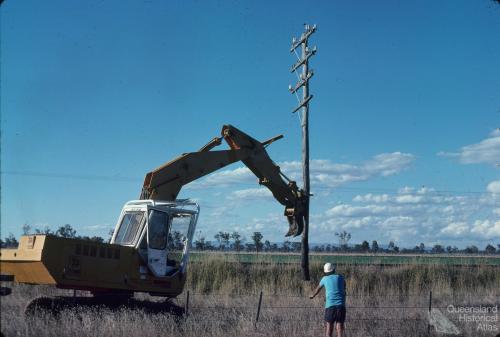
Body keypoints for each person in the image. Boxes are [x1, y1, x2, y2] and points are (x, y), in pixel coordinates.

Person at [310, 263, 346, 337]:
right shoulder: (341, 277)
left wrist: (312, 295)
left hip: (330, 306)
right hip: (341, 306)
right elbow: (344, 287)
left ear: (325, 272)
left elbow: (318, 289)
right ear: (334, 270)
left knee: (329, 328)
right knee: (339, 327)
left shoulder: (324, 279)